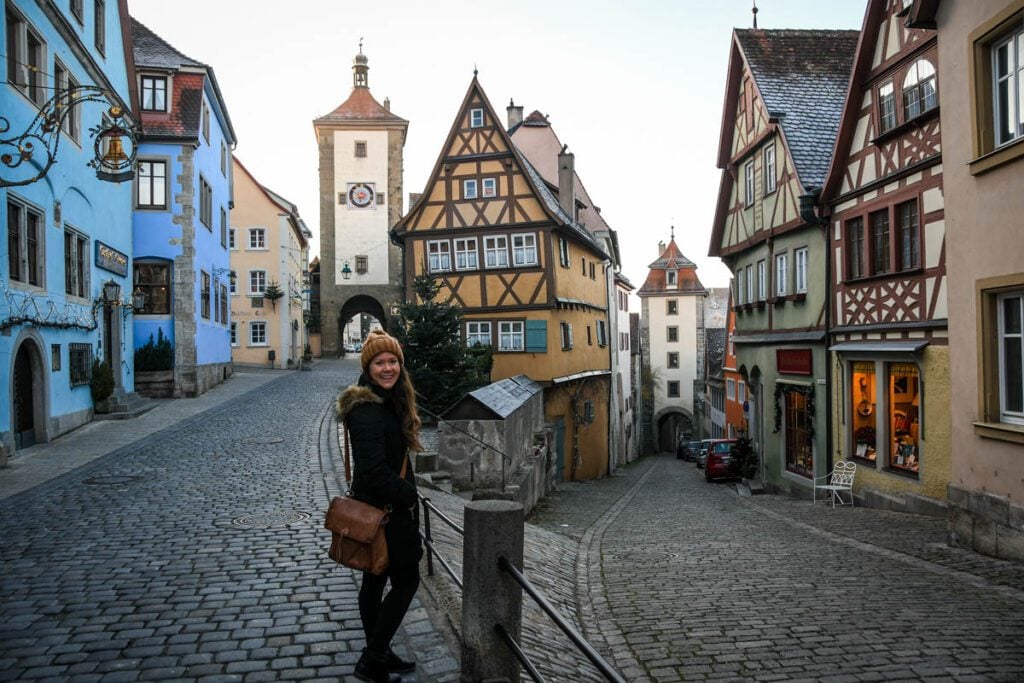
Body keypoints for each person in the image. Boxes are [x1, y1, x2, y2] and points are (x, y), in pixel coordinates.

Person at [336, 329, 423, 683]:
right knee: (407, 581)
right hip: (385, 512)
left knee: (374, 582)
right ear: (367, 367)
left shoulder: (388, 401)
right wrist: (408, 495)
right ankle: (372, 658)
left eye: (393, 362)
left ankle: (380, 653)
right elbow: (372, 470)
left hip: (383, 507)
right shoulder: (367, 411)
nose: (387, 368)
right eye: (379, 363)